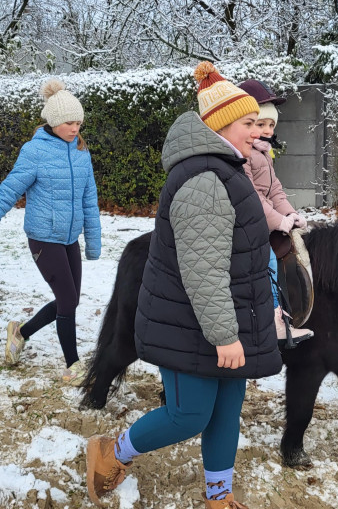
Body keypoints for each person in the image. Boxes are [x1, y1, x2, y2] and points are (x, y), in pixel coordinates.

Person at [85, 62, 282, 508]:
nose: (259, 132)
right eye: (249, 123)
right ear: (218, 126)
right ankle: (110, 452)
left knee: (226, 412)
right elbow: (203, 270)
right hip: (194, 324)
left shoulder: (229, 170)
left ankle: (218, 495)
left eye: (259, 123)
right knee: (189, 414)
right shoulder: (205, 181)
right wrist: (225, 335)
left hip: (225, 320)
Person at [0, 78, 101, 385]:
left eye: (78, 123)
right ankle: (73, 365)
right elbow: (11, 188)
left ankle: (20, 333)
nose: (75, 129)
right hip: (43, 237)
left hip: (69, 237)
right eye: (68, 123)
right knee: (66, 300)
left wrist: (93, 240)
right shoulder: (34, 151)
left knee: (70, 301)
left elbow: (89, 197)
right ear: (52, 122)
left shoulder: (80, 151)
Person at [237, 79, 313, 347]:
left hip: (264, 217)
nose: (267, 130)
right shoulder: (244, 154)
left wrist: (291, 216)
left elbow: (275, 191)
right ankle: (272, 318)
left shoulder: (263, 152)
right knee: (266, 258)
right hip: (245, 220)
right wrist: (278, 221)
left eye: (271, 125)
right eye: (259, 124)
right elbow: (252, 195)